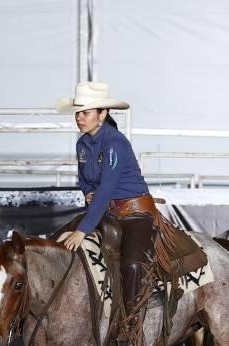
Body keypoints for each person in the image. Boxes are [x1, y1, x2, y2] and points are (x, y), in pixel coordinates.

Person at [55, 81, 156, 325]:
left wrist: (83, 230)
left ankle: (131, 324)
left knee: (132, 265)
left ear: (102, 114)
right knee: (56, 242)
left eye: (86, 113)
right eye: (78, 113)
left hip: (134, 213)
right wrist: (88, 192)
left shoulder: (115, 143)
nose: (79, 118)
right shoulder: (82, 144)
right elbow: (85, 181)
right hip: (105, 212)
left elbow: (108, 187)